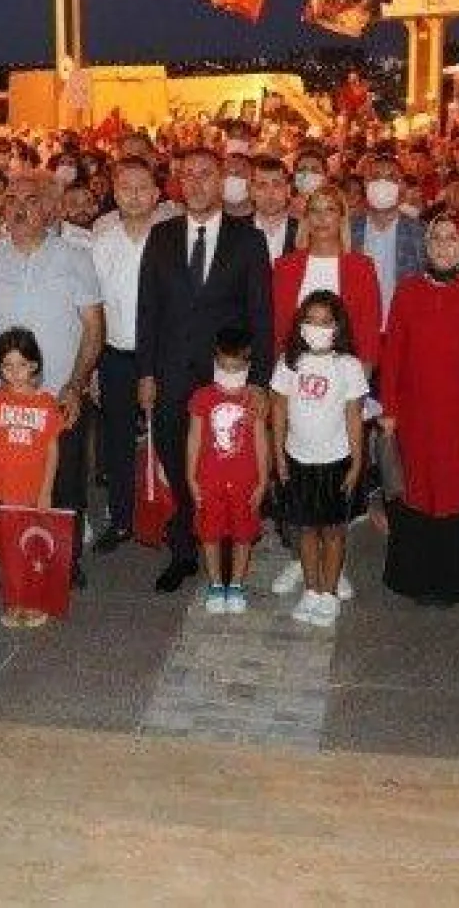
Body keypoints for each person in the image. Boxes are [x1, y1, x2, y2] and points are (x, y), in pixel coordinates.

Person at [135, 149, 274, 593]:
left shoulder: (248, 240)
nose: (196, 183)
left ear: (222, 182)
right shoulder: (161, 236)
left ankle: (229, 545)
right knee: (179, 462)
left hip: (227, 377)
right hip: (171, 372)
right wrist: (145, 372)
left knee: (229, 464)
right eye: (188, 175)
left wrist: (258, 382)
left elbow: (262, 315)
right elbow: (147, 308)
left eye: (206, 174)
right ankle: (184, 550)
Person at [0, 172, 103, 585]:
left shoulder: (76, 259)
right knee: (9, 483)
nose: (19, 208)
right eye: (11, 200)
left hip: (58, 397)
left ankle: (65, 564)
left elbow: (94, 328)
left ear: (52, 209)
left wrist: (76, 385)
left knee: (65, 483)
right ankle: (17, 563)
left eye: (31, 199)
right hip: (4, 402)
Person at [378, 210, 459, 605]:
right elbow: (392, 355)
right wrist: (389, 411)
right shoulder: (407, 292)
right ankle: (415, 578)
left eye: (452, 238)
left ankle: (455, 582)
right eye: (436, 238)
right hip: (415, 417)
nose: (443, 246)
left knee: (458, 494)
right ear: (426, 245)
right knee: (416, 491)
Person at [272, 291, 368, 628]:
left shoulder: (348, 366)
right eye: (310, 321)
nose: (317, 328)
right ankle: (311, 590)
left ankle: (329, 593)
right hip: (298, 460)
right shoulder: (289, 363)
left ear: (337, 327)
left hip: (335, 462)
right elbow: (279, 409)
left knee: (334, 532)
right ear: (300, 325)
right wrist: (278, 454)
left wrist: (357, 462)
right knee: (306, 530)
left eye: (325, 322)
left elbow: (354, 416)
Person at [89, 158, 161, 554]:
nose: (134, 195)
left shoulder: (170, 241)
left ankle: (167, 517)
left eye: (142, 188)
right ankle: (121, 520)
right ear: (114, 195)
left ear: (156, 194)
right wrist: (94, 367)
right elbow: (93, 311)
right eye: (125, 188)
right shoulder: (101, 245)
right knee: (117, 442)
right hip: (115, 356)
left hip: (162, 358)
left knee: (167, 437)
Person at [0, 327, 64, 629]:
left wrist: (46, 491)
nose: (14, 373)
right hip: (2, 491)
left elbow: (52, 451)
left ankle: (34, 601)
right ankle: (14, 601)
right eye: (7, 366)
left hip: (33, 493)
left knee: (32, 549)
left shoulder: (47, 404)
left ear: (34, 365)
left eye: (22, 365)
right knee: (9, 551)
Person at [187, 326, 270, 615]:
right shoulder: (202, 397)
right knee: (209, 533)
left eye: (235, 368)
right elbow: (194, 439)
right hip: (209, 479)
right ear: (215, 362)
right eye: (223, 366)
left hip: (245, 481)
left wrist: (263, 480)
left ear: (247, 366)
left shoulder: (254, 400)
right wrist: (191, 477)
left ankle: (235, 584)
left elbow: (261, 442)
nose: (229, 373)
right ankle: (215, 583)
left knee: (243, 534)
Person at [270, 186, 383, 374]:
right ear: (306, 218)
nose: (321, 218)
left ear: (342, 218)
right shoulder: (284, 267)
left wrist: (362, 377)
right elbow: (276, 328)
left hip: (345, 374)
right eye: (314, 210)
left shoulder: (362, 267)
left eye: (330, 210)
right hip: (292, 371)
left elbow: (369, 330)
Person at [352, 153, 425, 320]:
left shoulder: (418, 233)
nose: (382, 183)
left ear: (401, 186)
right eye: (376, 177)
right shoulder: (349, 230)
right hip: (359, 324)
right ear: (365, 184)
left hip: (402, 323)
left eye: (391, 178)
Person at [249, 156, 299, 264]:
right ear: (252, 192)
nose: (270, 193)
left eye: (277, 185)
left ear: (288, 190)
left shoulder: (303, 232)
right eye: (262, 186)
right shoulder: (236, 232)